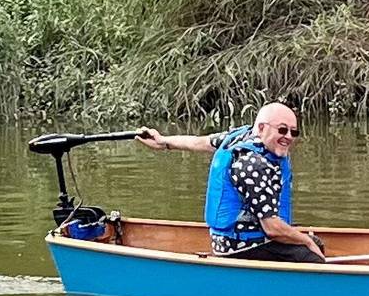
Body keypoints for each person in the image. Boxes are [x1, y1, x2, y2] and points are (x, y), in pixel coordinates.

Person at [137, 102, 326, 263]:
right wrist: (306, 241)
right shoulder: (252, 163)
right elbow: (273, 228)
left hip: (236, 239)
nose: (289, 137)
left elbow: (198, 142)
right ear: (261, 128)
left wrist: (163, 142)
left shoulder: (238, 137)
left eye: (294, 132)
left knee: (314, 243)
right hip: (241, 247)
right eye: (282, 130)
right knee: (311, 254)